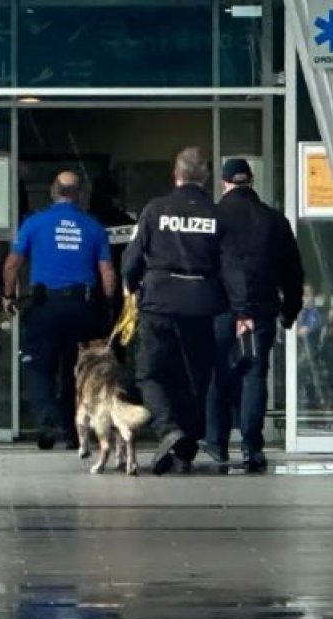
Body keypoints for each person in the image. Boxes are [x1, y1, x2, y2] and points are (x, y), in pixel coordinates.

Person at [122, 147, 251, 475]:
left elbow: (133, 259)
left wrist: (131, 284)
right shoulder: (216, 214)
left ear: (176, 175)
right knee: (195, 379)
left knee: (149, 373)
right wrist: (242, 311)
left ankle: (169, 429)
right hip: (201, 306)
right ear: (206, 177)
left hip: (159, 305)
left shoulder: (155, 210)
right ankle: (185, 449)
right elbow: (231, 267)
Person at [201, 158, 305, 471]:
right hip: (261, 310)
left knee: (218, 374)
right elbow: (293, 272)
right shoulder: (274, 220)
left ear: (224, 182)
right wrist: (290, 309)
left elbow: (203, 263)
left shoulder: (213, 217)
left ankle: (217, 443)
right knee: (254, 375)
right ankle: (252, 448)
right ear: (251, 181)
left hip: (219, 309)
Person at [2, 170, 117, 450]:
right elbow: (108, 272)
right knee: (74, 369)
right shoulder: (93, 226)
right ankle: (71, 430)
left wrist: (8, 295)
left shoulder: (35, 223)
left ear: (54, 191)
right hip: (82, 307)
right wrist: (110, 308)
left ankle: (47, 420)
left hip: (45, 306)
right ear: (78, 194)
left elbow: (12, 264)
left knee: (39, 366)